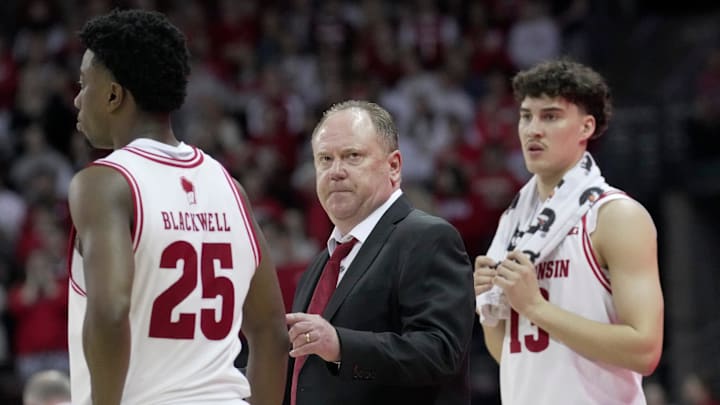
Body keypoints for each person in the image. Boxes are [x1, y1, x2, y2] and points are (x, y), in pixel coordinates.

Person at [68, 9, 288, 405]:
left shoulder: (105, 184)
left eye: (85, 84)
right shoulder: (229, 186)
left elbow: (111, 311)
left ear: (114, 95)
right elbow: (272, 333)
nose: (77, 98)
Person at [473, 59, 664, 404]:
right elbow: (514, 358)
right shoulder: (514, 223)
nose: (533, 129)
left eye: (550, 116)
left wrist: (535, 308)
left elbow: (645, 350)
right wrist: (489, 306)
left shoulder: (614, 216)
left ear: (585, 127)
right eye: (526, 116)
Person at [285, 100, 476, 404]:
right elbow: (305, 378)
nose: (335, 171)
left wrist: (341, 346)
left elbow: (439, 353)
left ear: (394, 166)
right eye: (324, 159)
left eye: (352, 156)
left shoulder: (427, 238)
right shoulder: (321, 264)